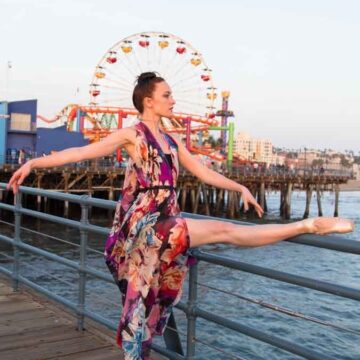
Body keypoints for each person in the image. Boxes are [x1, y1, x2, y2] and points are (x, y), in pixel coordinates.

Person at [6, 72, 354, 360]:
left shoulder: (172, 142)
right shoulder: (132, 134)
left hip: (167, 218)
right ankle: (306, 224)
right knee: (224, 230)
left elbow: (204, 174)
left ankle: (135, 353)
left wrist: (240, 188)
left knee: (144, 299)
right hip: (145, 226)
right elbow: (81, 151)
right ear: (148, 100)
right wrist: (35, 162)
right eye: (168, 95)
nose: (174, 100)